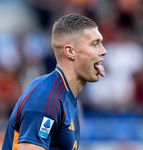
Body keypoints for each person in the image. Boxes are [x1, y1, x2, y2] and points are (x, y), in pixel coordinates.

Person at [2, 13, 107, 150]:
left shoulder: (66, 97)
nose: (103, 51)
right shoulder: (46, 97)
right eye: (95, 44)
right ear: (70, 52)